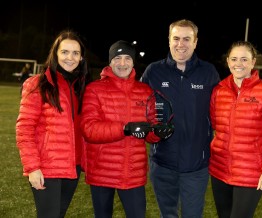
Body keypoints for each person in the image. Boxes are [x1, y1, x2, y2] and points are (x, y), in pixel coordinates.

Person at [80, 40, 172, 218]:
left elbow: (150, 131)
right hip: (102, 171)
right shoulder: (94, 90)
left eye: (127, 58)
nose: (122, 63)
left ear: (133, 61)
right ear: (110, 62)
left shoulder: (145, 91)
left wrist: (158, 133)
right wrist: (125, 129)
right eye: (117, 58)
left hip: (132, 171)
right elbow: (89, 129)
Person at [140, 19, 220, 217]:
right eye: (176, 38)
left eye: (187, 39)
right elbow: (136, 104)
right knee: (167, 214)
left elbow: (224, 109)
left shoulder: (208, 72)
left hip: (196, 164)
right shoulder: (154, 71)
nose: (180, 44)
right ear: (169, 40)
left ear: (195, 42)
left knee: (192, 214)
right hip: (162, 162)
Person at [16, 30, 92, 218]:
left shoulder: (81, 87)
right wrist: (32, 168)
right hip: (47, 169)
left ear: (81, 58)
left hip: (72, 168)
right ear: (55, 54)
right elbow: (24, 128)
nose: (70, 57)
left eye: (75, 53)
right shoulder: (38, 84)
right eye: (64, 52)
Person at [209, 40, 262, 218]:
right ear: (228, 61)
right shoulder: (218, 91)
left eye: (244, 59)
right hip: (219, 170)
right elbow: (216, 125)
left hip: (251, 173)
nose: (239, 64)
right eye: (234, 59)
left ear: (253, 62)